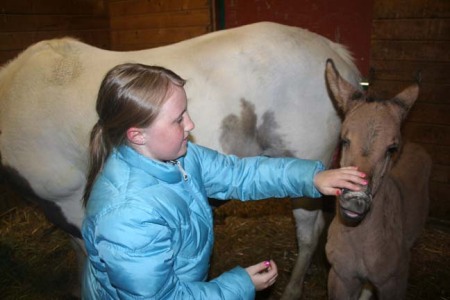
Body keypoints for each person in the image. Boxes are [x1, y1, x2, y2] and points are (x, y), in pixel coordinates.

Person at [81, 63, 367, 299]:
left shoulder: (180, 157)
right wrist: (239, 286)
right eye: (178, 119)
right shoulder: (127, 217)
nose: (190, 125)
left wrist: (311, 177)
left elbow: (239, 174)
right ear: (137, 135)